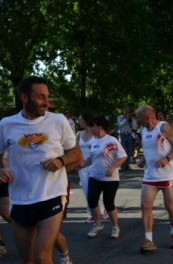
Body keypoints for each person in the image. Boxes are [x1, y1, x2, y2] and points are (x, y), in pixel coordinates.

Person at [0, 75, 83, 263]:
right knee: (26, 259)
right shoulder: (6, 124)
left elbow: (77, 153)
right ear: (24, 98)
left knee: (42, 256)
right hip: (20, 197)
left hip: (51, 194)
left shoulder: (58, 120)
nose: (46, 103)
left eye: (47, 97)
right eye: (40, 97)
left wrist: (61, 161)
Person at [135, 105, 173, 253]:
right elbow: (149, 150)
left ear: (147, 116)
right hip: (150, 175)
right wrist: (143, 159)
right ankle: (148, 240)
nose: (137, 120)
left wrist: (166, 159)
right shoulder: (143, 131)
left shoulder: (164, 127)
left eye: (139, 117)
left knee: (170, 207)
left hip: (167, 174)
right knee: (145, 205)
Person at [79, 115, 127, 239]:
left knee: (108, 204)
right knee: (92, 201)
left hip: (110, 178)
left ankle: (115, 226)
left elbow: (123, 156)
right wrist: (81, 165)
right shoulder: (93, 141)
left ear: (99, 127)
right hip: (95, 176)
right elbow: (91, 158)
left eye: (93, 127)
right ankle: (98, 224)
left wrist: (112, 168)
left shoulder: (111, 140)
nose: (91, 130)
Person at [77, 110, 108, 223]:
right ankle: (93, 213)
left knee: (94, 190)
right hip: (82, 165)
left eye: (81, 120)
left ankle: (101, 212)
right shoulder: (79, 134)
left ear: (86, 121)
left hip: (95, 164)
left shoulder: (96, 133)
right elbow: (76, 150)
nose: (79, 122)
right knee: (86, 190)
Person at [117, 105, 133, 171]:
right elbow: (120, 125)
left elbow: (133, 126)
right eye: (125, 110)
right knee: (123, 151)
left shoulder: (130, 117)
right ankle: (122, 166)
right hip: (122, 134)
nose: (126, 112)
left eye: (128, 111)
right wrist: (126, 119)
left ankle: (127, 165)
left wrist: (131, 119)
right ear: (123, 110)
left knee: (129, 150)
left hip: (129, 134)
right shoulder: (119, 117)